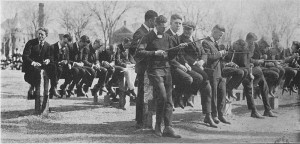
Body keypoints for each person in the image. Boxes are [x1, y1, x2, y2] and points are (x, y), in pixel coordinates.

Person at [138, 15, 181, 138]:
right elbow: (139, 52)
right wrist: (154, 53)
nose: (164, 28)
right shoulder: (148, 37)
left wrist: (177, 49)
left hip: (166, 70)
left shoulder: (168, 37)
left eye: (165, 26)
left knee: (169, 99)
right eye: (162, 26)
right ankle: (158, 126)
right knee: (162, 96)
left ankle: (168, 127)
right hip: (154, 70)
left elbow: (171, 56)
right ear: (156, 25)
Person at [175, 21, 218, 128]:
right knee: (201, 79)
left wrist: (202, 61)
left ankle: (208, 115)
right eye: (185, 29)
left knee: (207, 87)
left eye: (189, 29)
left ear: (193, 30)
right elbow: (182, 55)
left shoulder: (197, 40)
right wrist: (194, 63)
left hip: (198, 66)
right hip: (186, 67)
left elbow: (204, 53)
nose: (186, 31)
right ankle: (186, 96)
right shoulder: (179, 40)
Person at [232, 37, 277, 118]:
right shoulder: (242, 47)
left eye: (254, 42)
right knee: (250, 86)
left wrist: (257, 62)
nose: (254, 43)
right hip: (243, 70)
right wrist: (257, 62)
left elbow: (249, 59)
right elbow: (244, 62)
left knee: (264, 84)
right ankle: (254, 111)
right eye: (252, 41)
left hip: (249, 68)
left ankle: (268, 109)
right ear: (248, 40)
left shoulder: (250, 47)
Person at [130, 10, 158, 128]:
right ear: (150, 20)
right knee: (142, 94)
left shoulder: (150, 32)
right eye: (155, 21)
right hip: (143, 67)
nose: (156, 24)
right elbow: (133, 50)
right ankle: (140, 120)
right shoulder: (140, 32)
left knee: (148, 94)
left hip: (151, 67)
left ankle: (144, 119)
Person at [202, 24, 231, 124]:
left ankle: (221, 114)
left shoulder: (216, 43)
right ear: (214, 31)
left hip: (220, 72)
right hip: (212, 72)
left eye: (222, 35)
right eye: (220, 34)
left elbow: (219, 58)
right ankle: (213, 115)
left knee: (222, 93)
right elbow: (209, 57)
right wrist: (221, 53)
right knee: (213, 94)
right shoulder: (205, 42)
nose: (221, 36)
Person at [22, 27, 51, 100]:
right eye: (39, 34)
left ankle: (38, 93)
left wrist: (48, 60)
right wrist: (33, 62)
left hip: (41, 66)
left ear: (46, 35)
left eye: (42, 34)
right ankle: (33, 89)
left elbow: (49, 56)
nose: (40, 36)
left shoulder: (48, 46)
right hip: (30, 66)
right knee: (35, 75)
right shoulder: (30, 43)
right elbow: (25, 56)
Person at [165, 14, 186, 108]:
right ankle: (176, 97)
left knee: (195, 78)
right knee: (188, 78)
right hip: (169, 65)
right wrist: (179, 65)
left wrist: (185, 63)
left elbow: (180, 54)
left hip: (176, 64)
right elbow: (168, 56)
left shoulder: (177, 36)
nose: (178, 25)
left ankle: (177, 96)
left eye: (180, 24)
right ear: (170, 23)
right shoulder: (167, 36)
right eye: (176, 23)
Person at [48, 34, 73, 98]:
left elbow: (68, 59)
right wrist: (59, 62)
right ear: (61, 39)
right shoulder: (52, 47)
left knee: (73, 71)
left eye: (67, 44)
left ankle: (64, 87)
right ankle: (54, 88)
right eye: (65, 43)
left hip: (62, 68)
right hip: (54, 67)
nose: (66, 45)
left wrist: (67, 62)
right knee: (57, 69)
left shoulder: (66, 48)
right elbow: (51, 60)